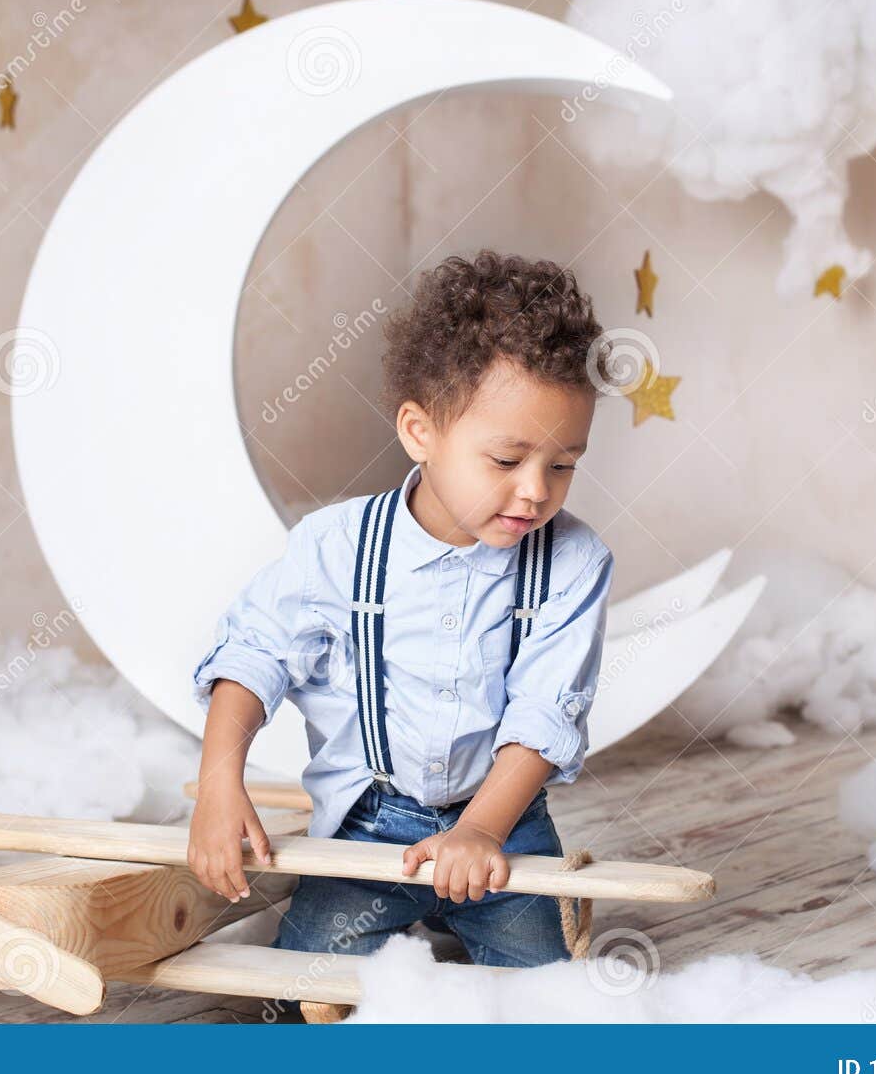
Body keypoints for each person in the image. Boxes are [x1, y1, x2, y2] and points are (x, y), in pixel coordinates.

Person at [186, 248, 615, 982]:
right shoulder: (339, 545)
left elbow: (546, 712)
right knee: (299, 995)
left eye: (563, 463)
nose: (537, 491)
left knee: (549, 999)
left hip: (502, 823)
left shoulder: (573, 562)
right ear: (421, 432)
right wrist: (220, 784)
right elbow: (254, 655)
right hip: (369, 824)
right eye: (506, 460)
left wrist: (480, 830)